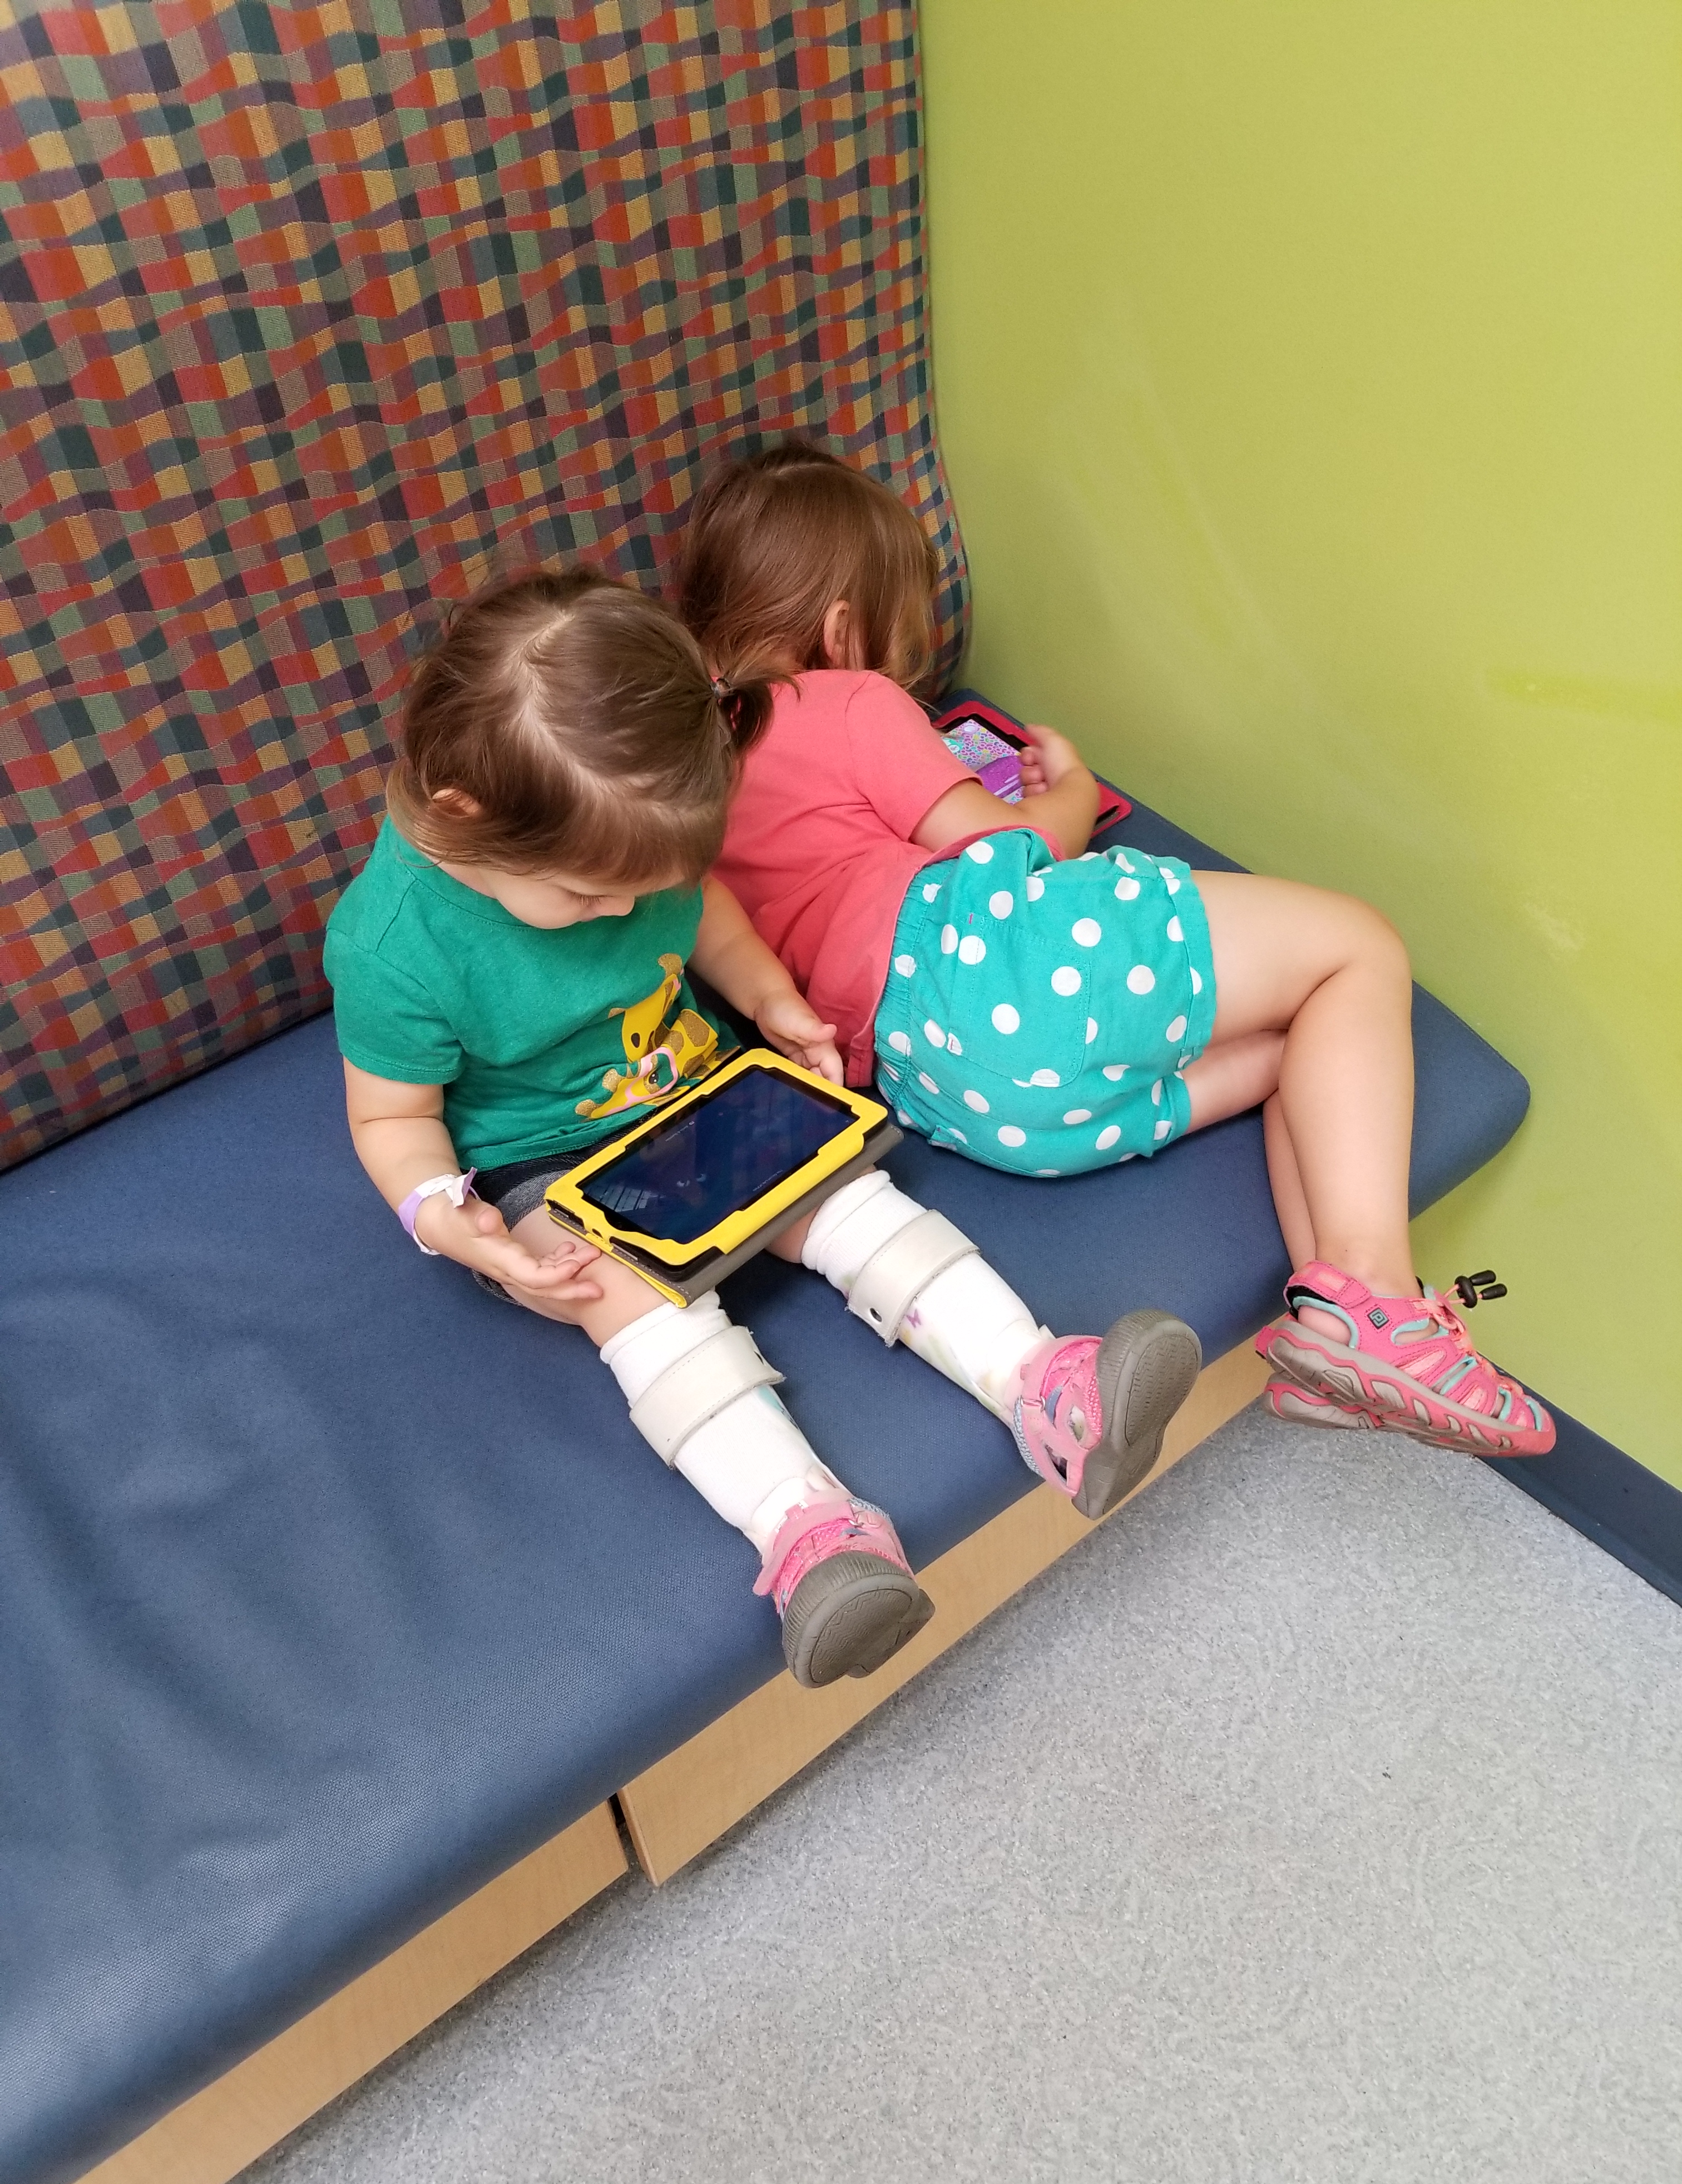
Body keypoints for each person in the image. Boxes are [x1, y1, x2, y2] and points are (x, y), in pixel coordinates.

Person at [324, 570, 1204, 1691]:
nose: (619, 915)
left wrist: (773, 1000)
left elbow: (708, 916)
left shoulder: (628, 855)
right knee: (624, 1295)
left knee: (846, 1197)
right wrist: (447, 1220)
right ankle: (811, 1536)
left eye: (640, 891)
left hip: (701, 1091)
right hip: (545, 1162)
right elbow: (391, 1116)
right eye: (589, 899)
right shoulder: (391, 944)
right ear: (463, 815)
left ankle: (1045, 1385)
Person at [679, 440, 1553, 1460]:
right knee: (1358, 950)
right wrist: (1074, 792)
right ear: (840, 633)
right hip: (1009, 969)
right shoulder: (842, 701)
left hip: (972, 1104)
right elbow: (1009, 845)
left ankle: (1342, 1330)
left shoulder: (681, 796)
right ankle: (1383, 1295)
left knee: (1305, 1044)